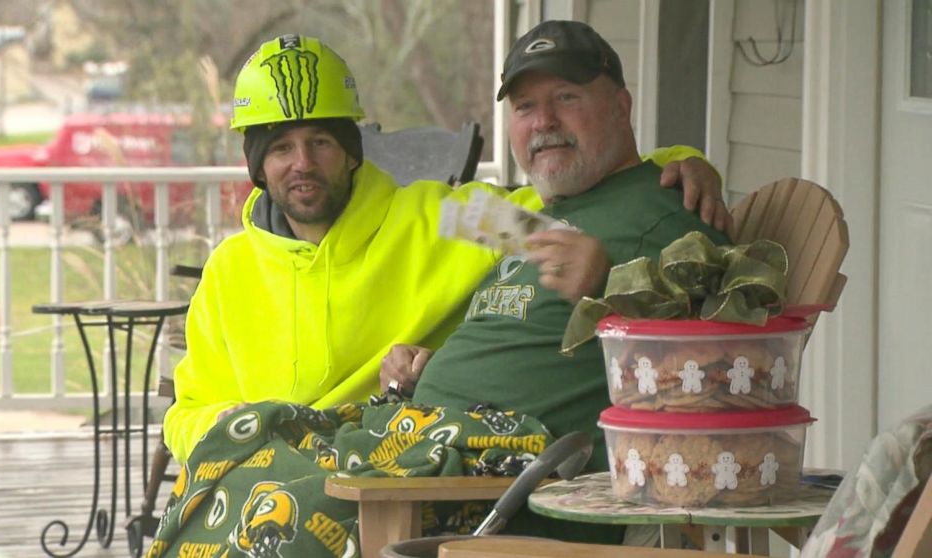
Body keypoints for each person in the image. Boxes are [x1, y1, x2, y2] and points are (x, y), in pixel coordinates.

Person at [163, 33, 730, 464]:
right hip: (261, 464)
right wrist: (221, 422)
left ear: (353, 149)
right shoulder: (228, 272)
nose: (303, 164)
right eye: (281, 147)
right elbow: (185, 413)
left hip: (380, 457)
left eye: (321, 142)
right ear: (257, 164)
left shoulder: (445, 219)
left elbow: (572, 189)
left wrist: (683, 162)